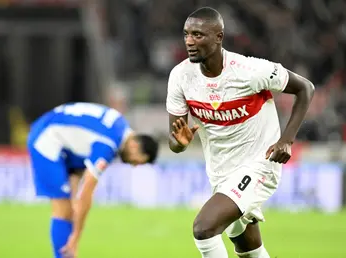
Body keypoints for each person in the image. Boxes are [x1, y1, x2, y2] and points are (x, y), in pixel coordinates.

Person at [166, 7, 314, 258]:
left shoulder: (250, 70)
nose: (190, 41)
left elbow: (305, 88)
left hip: (260, 164)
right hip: (221, 172)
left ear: (219, 37)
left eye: (198, 35)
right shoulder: (181, 77)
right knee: (247, 246)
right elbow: (174, 139)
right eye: (187, 34)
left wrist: (286, 140)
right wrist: (179, 144)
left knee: (204, 228)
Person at [27, 102, 159, 258]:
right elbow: (87, 192)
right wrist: (76, 236)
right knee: (62, 210)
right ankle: (64, 254)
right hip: (46, 140)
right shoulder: (108, 144)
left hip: (60, 139)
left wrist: (76, 200)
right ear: (134, 146)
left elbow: (82, 143)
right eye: (137, 161)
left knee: (70, 208)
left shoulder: (120, 126)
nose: (134, 165)